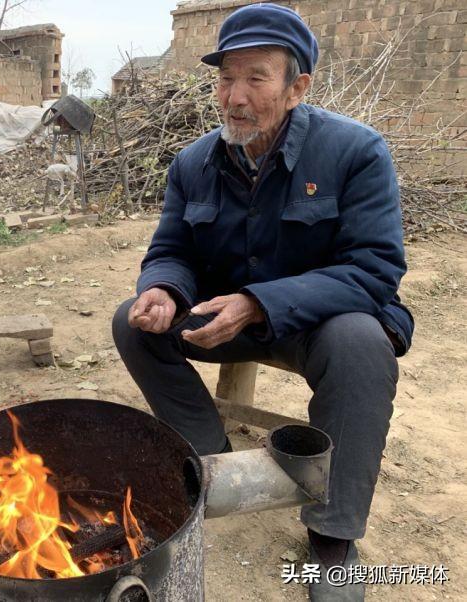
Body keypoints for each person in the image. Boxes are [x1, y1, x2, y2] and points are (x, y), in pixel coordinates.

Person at [112, 4, 413, 600]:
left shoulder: (355, 152)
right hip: (228, 318)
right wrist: (164, 290)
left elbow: (374, 269)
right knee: (132, 321)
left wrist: (256, 302)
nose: (235, 97)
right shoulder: (194, 162)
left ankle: (332, 536)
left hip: (321, 324)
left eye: (257, 78)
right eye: (226, 78)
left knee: (361, 344)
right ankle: (208, 457)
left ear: (297, 86)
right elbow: (172, 249)